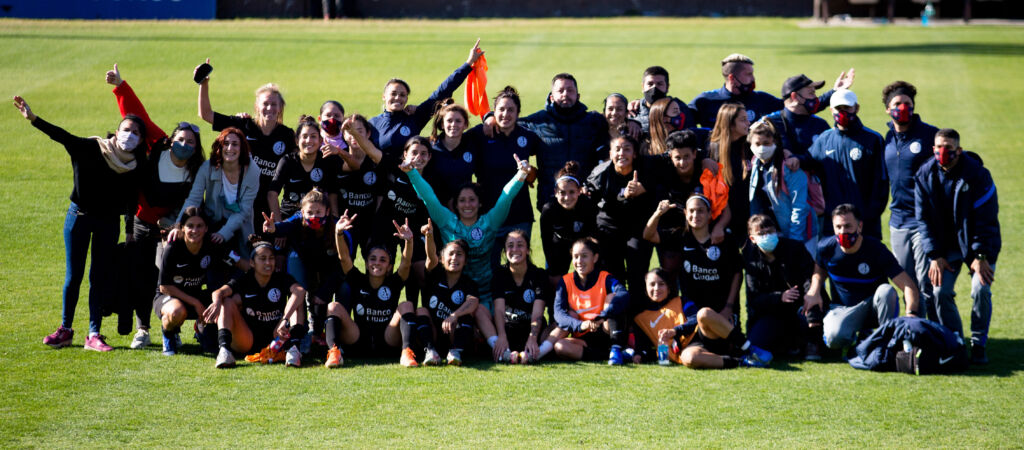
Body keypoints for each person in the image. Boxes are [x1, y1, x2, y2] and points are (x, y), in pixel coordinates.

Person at [15, 95, 146, 352]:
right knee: (73, 275)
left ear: (141, 140)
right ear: (117, 131)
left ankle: (94, 334)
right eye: (126, 129)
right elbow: (61, 135)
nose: (130, 135)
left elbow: (131, 201)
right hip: (79, 218)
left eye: (136, 133)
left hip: (108, 224)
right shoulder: (90, 148)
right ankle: (65, 329)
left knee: (98, 276)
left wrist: (130, 230)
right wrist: (33, 119)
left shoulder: (135, 166)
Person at [105, 64, 207, 350]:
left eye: (190, 142)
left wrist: (174, 226)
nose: (184, 144)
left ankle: (174, 326)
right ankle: (142, 328)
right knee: (139, 273)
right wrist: (120, 86)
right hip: (140, 222)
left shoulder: (195, 170)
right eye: (181, 139)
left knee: (162, 275)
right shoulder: (159, 146)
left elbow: (192, 203)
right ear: (172, 139)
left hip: (171, 230)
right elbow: (139, 116)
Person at [915, 129, 1000, 364]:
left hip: (978, 246)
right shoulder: (924, 174)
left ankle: (978, 342)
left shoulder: (978, 175)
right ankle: (955, 340)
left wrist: (980, 255)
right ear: (933, 149)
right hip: (945, 247)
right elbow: (922, 219)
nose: (943, 152)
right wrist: (934, 255)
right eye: (939, 147)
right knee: (939, 291)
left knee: (980, 290)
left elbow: (987, 219)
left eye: (949, 148)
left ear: (959, 150)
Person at [405, 152, 530, 310]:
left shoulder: (490, 221)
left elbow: (506, 196)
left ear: (479, 204)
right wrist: (411, 172)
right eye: (462, 201)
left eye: (472, 200)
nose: (467, 205)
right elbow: (428, 197)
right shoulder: (446, 220)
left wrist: (521, 174)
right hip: (454, 292)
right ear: (456, 205)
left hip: (486, 293)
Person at [484, 73, 612, 209]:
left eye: (570, 90)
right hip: (550, 200)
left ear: (578, 96)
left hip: (585, 198)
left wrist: (632, 120)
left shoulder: (593, 121)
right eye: (560, 90)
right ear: (551, 96)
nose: (565, 94)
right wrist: (490, 117)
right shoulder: (537, 121)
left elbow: (617, 117)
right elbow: (509, 122)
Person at [805, 204, 921, 351]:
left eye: (848, 226)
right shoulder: (825, 248)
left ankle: (886, 341)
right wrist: (814, 291)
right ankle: (858, 339)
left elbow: (908, 285)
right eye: (838, 227)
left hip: (872, 306)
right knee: (834, 339)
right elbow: (819, 271)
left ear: (859, 226)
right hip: (843, 308)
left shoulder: (876, 250)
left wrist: (911, 314)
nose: (843, 232)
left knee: (886, 291)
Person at [342, 118, 431, 308]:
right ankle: (379, 313)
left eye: (424, 154)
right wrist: (354, 132)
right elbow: (373, 152)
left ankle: (417, 313)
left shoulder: (433, 179)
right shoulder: (396, 166)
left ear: (430, 157)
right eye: (414, 152)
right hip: (385, 226)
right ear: (405, 154)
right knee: (382, 270)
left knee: (418, 272)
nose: (419, 157)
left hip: (413, 229)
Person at [196, 59, 296, 223]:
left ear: (280, 107)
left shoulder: (287, 135)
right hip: (235, 202)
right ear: (256, 106)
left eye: (274, 104)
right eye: (265, 104)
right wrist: (203, 84)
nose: (269, 108)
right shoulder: (242, 125)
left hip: (266, 206)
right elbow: (206, 114)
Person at [465, 86, 545, 268]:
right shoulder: (480, 134)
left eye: (511, 110)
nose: (505, 114)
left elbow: (537, 174)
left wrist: (529, 170)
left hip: (519, 216)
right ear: (494, 111)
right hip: (487, 216)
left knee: (519, 268)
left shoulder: (528, 137)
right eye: (501, 109)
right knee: (487, 270)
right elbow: (452, 143)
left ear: (518, 113)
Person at [882, 81, 939, 321]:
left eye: (907, 104)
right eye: (897, 104)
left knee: (928, 285)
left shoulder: (929, 135)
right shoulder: (887, 138)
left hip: (923, 221)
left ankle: (937, 335)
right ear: (888, 109)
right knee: (907, 284)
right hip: (898, 222)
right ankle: (915, 334)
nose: (903, 108)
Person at [204, 237, 308, 368]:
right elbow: (218, 292)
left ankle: (294, 350)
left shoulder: (281, 277)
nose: (268, 263)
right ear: (252, 263)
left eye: (271, 258)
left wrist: (284, 320)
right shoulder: (245, 279)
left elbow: (300, 291)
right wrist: (217, 303)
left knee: (296, 301)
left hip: (277, 337)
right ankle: (224, 351)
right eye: (262, 258)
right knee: (227, 302)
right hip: (248, 339)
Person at [155, 207, 245, 356]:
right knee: (177, 312)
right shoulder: (173, 247)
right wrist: (196, 303)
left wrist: (260, 265)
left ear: (206, 228)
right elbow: (164, 286)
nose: (194, 230)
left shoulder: (212, 245)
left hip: (196, 295)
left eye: (199, 226)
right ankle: (168, 334)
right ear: (182, 228)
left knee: (228, 303)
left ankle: (202, 330)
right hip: (169, 296)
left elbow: (239, 262)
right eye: (190, 226)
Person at [369, 40, 483, 158]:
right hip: (381, 176)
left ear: (407, 99)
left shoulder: (415, 118)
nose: (397, 98)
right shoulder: (372, 124)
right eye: (393, 94)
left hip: (409, 175)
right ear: (384, 96)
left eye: (402, 95)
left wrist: (468, 63)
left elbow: (442, 91)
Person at [261, 189, 344, 350]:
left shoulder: (337, 226)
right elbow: (284, 226)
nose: (314, 216)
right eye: (310, 212)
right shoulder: (298, 220)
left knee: (338, 290)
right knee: (296, 273)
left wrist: (325, 291)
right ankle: (299, 330)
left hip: (329, 265)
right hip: (303, 261)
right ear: (302, 212)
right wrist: (273, 228)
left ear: (327, 211)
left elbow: (344, 266)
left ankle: (332, 332)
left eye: (319, 212)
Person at [330, 215, 415, 367]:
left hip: (388, 340)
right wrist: (339, 234)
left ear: (389, 266)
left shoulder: (393, 283)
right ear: (367, 263)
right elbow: (344, 258)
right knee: (333, 307)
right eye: (373, 259)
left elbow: (406, 263)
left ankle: (406, 352)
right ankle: (334, 352)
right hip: (357, 340)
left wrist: (408, 241)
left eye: (383, 260)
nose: (377, 263)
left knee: (407, 305)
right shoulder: (358, 280)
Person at [807, 89, 888, 239]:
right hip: (833, 225)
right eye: (838, 108)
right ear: (831, 110)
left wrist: (868, 217)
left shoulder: (873, 139)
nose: (842, 112)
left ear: (856, 108)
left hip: (865, 225)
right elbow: (808, 166)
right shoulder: (823, 140)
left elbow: (881, 183)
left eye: (847, 108)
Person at [691, 54, 851, 129]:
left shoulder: (762, 100)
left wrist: (835, 92)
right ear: (732, 78)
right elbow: (681, 122)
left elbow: (798, 107)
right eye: (748, 74)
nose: (753, 78)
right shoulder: (706, 101)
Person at [742, 214, 822, 361]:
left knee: (812, 298)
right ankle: (790, 343)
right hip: (772, 312)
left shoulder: (795, 248)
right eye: (761, 234)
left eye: (770, 231)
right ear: (752, 238)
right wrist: (780, 297)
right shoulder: (751, 259)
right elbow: (754, 298)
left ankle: (813, 341)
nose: (767, 236)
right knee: (756, 343)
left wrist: (810, 300)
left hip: (800, 306)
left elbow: (809, 279)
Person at [174, 128, 261, 257]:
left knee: (243, 261)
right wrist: (178, 225)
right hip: (212, 222)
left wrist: (223, 233)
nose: (230, 148)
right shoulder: (207, 168)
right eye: (226, 143)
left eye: (235, 144)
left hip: (241, 226)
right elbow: (194, 199)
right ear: (220, 146)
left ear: (242, 148)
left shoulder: (253, 171)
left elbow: (244, 210)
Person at [585, 133, 655, 292]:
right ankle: (616, 313)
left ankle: (636, 313)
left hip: (637, 227)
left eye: (627, 149)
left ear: (635, 153)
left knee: (637, 273)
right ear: (610, 154)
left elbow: (658, 190)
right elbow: (590, 204)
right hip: (609, 228)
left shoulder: (646, 169)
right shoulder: (600, 174)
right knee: (612, 275)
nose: (621, 153)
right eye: (617, 149)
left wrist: (643, 190)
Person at [551, 238, 631, 365]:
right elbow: (559, 314)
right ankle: (610, 354)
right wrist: (580, 325)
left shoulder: (605, 277)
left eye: (584, 256)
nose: (579, 261)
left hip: (606, 330)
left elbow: (623, 293)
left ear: (595, 258)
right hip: (583, 337)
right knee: (560, 347)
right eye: (575, 257)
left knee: (612, 298)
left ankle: (616, 347)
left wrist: (604, 315)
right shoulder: (566, 281)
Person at [746, 118, 817, 255]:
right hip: (769, 235)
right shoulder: (755, 164)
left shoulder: (789, 168)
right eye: (757, 143)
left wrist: (794, 239)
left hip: (797, 235)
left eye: (766, 143)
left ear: (775, 142)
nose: (761, 148)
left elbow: (800, 206)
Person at [483, 230, 555, 363]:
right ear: (505, 251)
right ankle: (502, 351)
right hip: (508, 330)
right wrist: (502, 335)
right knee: (480, 310)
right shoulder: (500, 274)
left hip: (533, 332)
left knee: (560, 323)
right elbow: (498, 310)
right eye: (510, 245)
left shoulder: (539, 275)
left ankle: (537, 353)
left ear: (528, 250)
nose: (515, 249)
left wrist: (532, 338)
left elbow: (538, 313)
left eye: (520, 245)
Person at [417, 223, 481, 366]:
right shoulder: (434, 275)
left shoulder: (468, 283)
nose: (454, 258)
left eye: (459, 255)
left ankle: (455, 352)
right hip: (433, 332)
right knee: (421, 310)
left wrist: (454, 315)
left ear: (465, 261)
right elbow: (430, 257)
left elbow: (473, 302)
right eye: (450, 254)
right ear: (441, 258)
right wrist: (429, 236)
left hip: (454, 333)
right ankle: (430, 351)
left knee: (466, 314)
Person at [325, 113, 379, 257]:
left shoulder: (375, 160)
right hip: (345, 222)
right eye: (349, 131)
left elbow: (382, 192)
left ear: (368, 133)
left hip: (369, 222)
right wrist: (336, 218)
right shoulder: (336, 160)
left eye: (359, 131)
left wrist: (377, 218)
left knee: (373, 261)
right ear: (343, 135)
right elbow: (332, 193)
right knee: (344, 263)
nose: (354, 135)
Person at [267, 116, 339, 220]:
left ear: (320, 141)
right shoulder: (287, 161)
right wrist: (279, 225)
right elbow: (272, 194)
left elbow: (333, 194)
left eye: (313, 136)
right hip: (290, 216)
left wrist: (335, 221)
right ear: (297, 140)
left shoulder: (326, 161)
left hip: (317, 217)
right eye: (304, 136)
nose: (308, 140)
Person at [539, 161, 597, 284]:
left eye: (571, 192)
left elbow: (593, 235)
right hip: (559, 244)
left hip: (582, 242)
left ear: (579, 191)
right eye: (562, 192)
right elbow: (546, 242)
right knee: (554, 281)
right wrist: (553, 269)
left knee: (589, 277)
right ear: (555, 192)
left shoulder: (587, 205)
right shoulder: (549, 209)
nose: (567, 197)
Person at [707, 101, 752, 243]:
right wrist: (721, 224)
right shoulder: (713, 149)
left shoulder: (750, 145)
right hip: (723, 220)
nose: (748, 123)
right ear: (730, 124)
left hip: (749, 217)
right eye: (743, 120)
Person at [424, 100, 475, 209]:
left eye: (458, 121)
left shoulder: (472, 145)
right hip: (435, 210)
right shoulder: (430, 147)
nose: (453, 125)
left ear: (465, 125)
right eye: (449, 121)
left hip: (463, 210)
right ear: (442, 124)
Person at [631, 268, 690, 364]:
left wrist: (676, 330)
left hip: (694, 344)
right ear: (645, 289)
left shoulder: (682, 302)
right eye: (652, 284)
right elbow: (642, 344)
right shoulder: (640, 318)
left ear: (669, 287)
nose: (656, 288)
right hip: (676, 357)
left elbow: (696, 320)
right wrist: (639, 354)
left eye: (661, 284)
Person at [627, 65, 696, 133]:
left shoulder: (680, 108)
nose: (654, 88)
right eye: (650, 84)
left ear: (667, 87)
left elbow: (691, 135)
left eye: (659, 84)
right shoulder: (634, 110)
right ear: (643, 87)